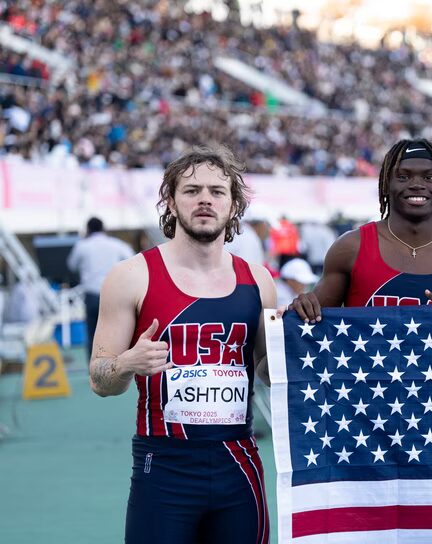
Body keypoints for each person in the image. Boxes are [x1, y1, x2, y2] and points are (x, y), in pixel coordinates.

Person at [88, 145, 276, 544]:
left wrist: (302, 341)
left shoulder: (259, 281)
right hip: (164, 468)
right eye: (191, 191)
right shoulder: (131, 277)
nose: (205, 199)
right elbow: (100, 380)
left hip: (238, 464)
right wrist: (127, 363)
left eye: (216, 191)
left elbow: (268, 374)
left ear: (233, 205)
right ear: (170, 202)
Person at [291, 139, 432, 321]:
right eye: (403, 176)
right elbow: (311, 326)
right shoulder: (350, 249)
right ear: (385, 184)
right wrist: (302, 308)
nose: (417, 185)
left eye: (429, 177)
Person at [67, 217, 134, 358]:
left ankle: (93, 369)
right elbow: (132, 259)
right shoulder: (117, 244)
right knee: (116, 332)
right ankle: (116, 366)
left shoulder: (82, 245)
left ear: (88, 229)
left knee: (92, 333)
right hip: (113, 294)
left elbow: (71, 265)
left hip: (92, 294)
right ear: (104, 229)